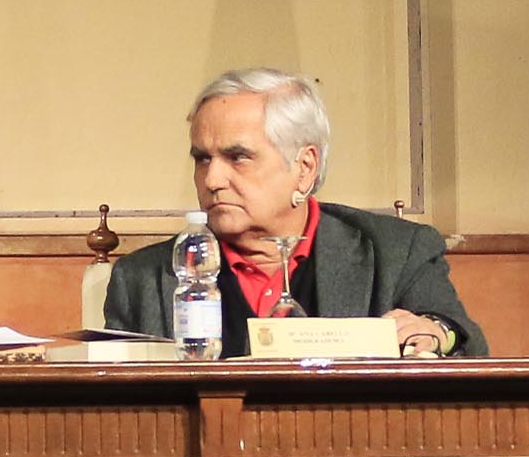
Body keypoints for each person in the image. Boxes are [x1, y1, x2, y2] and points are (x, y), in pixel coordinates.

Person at [103, 68, 486, 357]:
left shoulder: (397, 252)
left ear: (304, 168)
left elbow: (464, 342)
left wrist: (437, 332)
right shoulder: (141, 280)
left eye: (238, 157)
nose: (213, 179)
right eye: (202, 159)